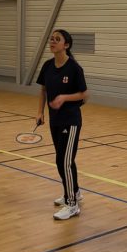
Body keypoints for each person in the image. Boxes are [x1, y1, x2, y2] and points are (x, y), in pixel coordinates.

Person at [36, 29, 89, 220]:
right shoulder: (47, 66)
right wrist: (40, 112)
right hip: (55, 120)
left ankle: (72, 204)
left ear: (66, 45)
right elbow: (43, 90)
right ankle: (74, 191)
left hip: (71, 121)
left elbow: (84, 95)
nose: (52, 41)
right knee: (61, 160)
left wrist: (64, 98)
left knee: (65, 161)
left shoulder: (74, 68)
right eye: (51, 39)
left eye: (57, 39)